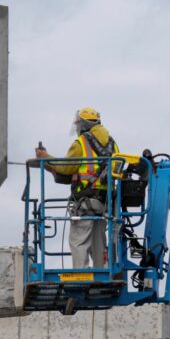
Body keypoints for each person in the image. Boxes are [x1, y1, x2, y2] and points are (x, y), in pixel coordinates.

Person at [34, 107, 119, 270]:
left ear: (84, 125)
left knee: (78, 241)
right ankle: (102, 273)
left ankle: (82, 275)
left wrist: (46, 158)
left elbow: (66, 168)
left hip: (85, 202)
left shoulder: (81, 143)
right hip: (105, 203)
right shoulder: (112, 144)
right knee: (99, 242)